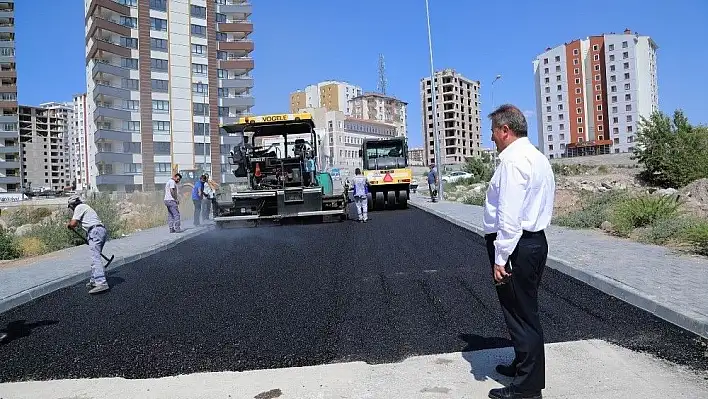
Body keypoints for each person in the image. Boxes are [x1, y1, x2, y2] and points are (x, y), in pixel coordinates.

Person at [482, 104, 555, 399]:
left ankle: (527, 389)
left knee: (521, 315)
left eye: (493, 133)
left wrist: (500, 258)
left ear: (505, 130)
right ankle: (523, 365)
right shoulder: (537, 158)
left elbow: (509, 219)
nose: (492, 139)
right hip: (535, 242)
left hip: (516, 246)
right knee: (525, 309)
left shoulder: (512, 163)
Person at [67, 195, 110, 294]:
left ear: (73, 205)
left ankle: (101, 282)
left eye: (70, 207)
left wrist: (69, 225)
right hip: (99, 231)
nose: (71, 209)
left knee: (95, 258)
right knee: (95, 256)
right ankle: (94, 280)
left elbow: (73, 223)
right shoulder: (85, 207)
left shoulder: (79, 207)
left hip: (95, 231)